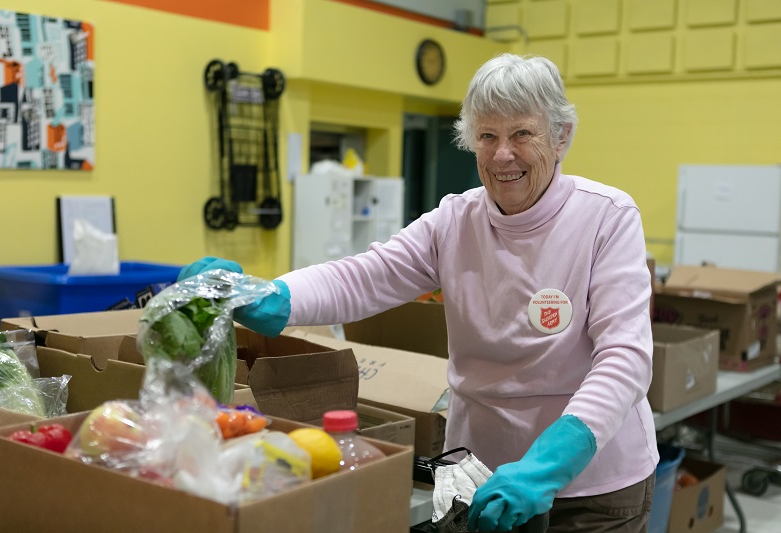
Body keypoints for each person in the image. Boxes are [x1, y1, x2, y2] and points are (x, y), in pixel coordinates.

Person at [180, 53, 658, 532]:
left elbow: (625, 359)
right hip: (479, 475)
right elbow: (365, 276)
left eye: (522, 135)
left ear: (562, 136)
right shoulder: (455, 220)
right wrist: (273, 296)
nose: (501, 155)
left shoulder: (606, 217)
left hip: (592, 488)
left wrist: (547, 466)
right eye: (487, 136)